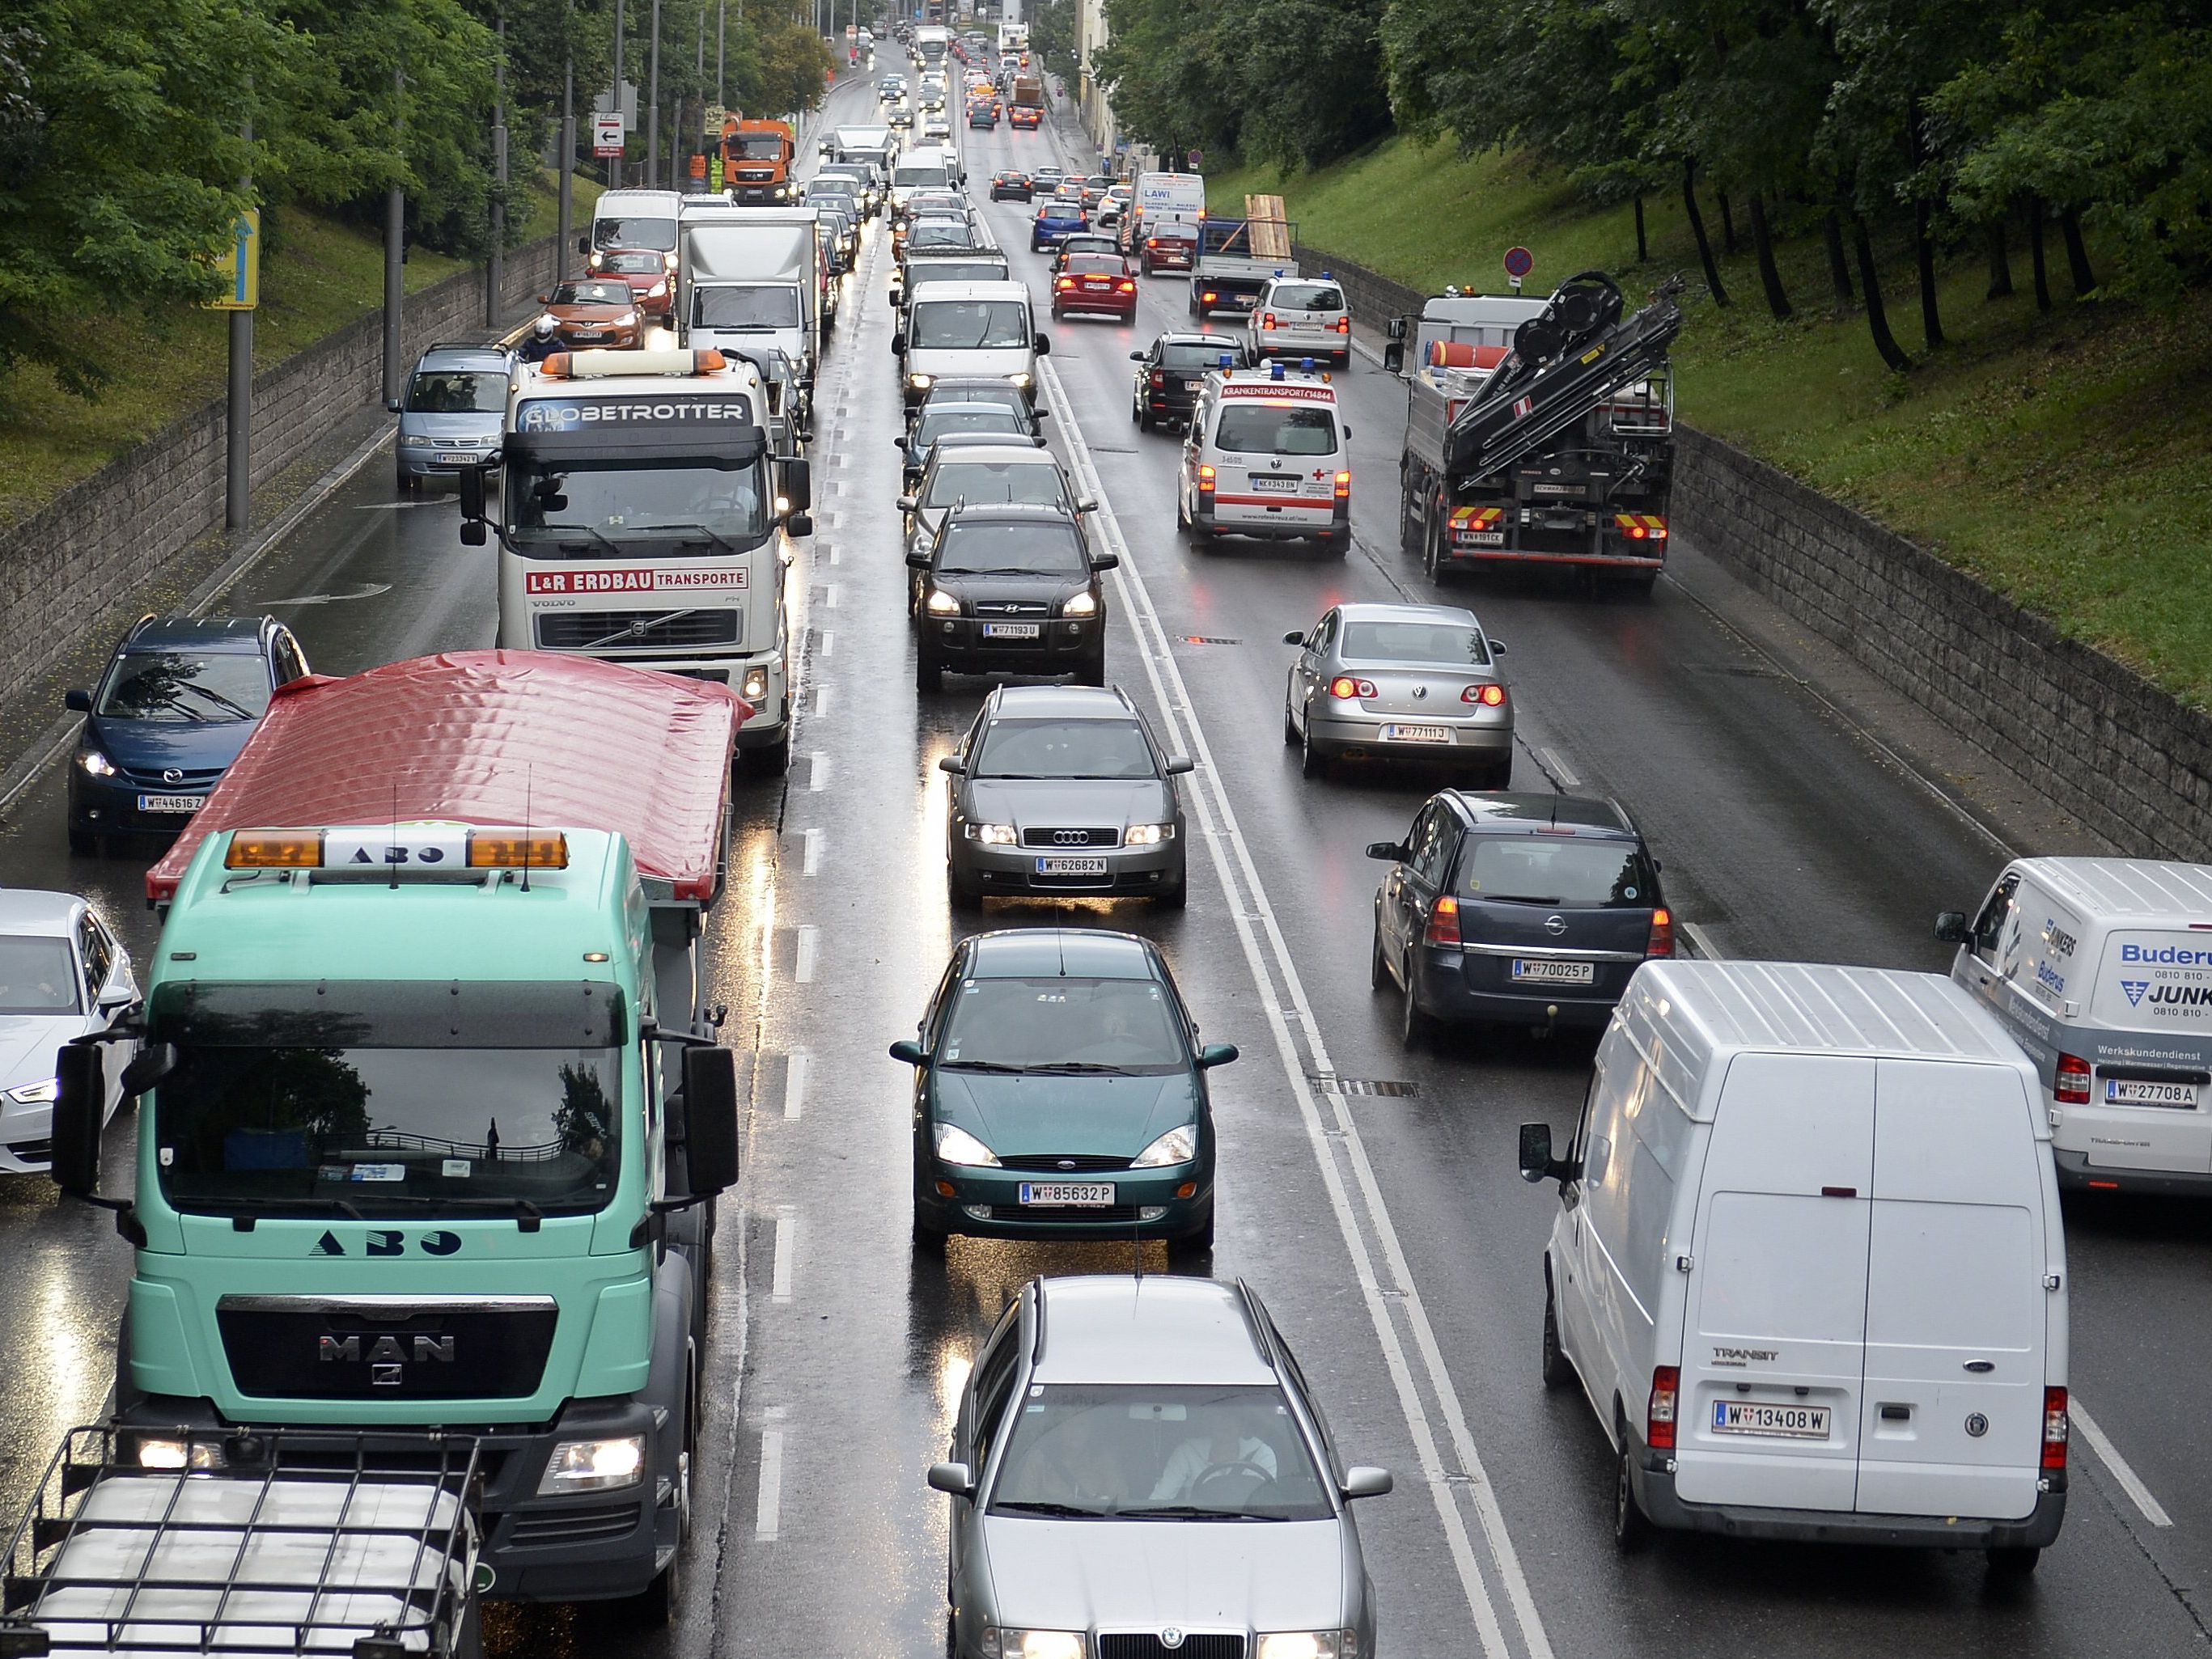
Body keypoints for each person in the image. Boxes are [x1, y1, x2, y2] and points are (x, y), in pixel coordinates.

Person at [1149, 1406, 1278, 1503]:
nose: (1226, 1422)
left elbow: (1268, 1501)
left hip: (1251, 1526)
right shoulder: (1187, 1452)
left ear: (1243, 1426)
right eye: (1220, 1416)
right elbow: (1161, 1498)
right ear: (1209, 1423)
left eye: (1233, 1417)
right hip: (1196, 1525)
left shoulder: (1261, 1453)